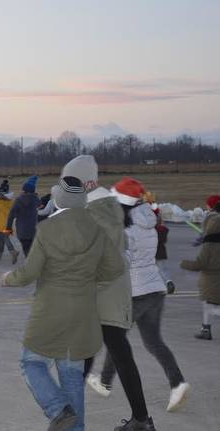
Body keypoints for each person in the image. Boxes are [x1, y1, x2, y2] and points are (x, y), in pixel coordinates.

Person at [0, 176, 125, 431]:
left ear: (59, 198)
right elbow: (115, 268)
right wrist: (90, 279)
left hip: (51, 312)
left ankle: (57, 409)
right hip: (83, 315)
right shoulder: (96, 228)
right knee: (71, 376)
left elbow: (30, 272)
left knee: (31, 362)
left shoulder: (47, 228)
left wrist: (8, 278)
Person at [62, 156, 156, 431]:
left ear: (86, 183)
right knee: (104, 354)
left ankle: (70, 418)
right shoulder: (102, 205)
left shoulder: (98, 209)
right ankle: (140, 420)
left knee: (90, 355)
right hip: (108, 293)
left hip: (102, 294)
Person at [98, 177, 190, 413]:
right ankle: (177, 383)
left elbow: (122, 261)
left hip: (135, 292)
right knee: (153, 342)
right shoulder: (147, 220)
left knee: (115, 336)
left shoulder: (126, 228)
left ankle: (105, 381)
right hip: (154, 289)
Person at [181, 212, 220, 340]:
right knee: (208, 305)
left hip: (211, 281)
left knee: (211, 307)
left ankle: (206, 330)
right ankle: (205, 329)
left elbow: (200, 264)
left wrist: (184, 264)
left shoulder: (209, 245)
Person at [6, 175, 40, 256]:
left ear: (24, 190)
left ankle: (30, 264)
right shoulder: (36, 199)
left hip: (22, 232)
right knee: (32, 251)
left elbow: (11, 215)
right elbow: (41, 207)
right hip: (33, 231)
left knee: (27, 250)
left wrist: (8, 229)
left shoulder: (18, 200)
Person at [0, 180, 18, 264]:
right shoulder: (11, 201)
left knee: (5, 237)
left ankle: (13, 251)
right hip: (9, 223)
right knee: (1, 237)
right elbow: (15, 211)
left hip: (1, 223)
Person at [153, 206, 176, 294]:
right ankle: (169, 282)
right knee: (163, 269)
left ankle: (156, 287)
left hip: (152, 252)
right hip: (161, 251)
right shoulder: (163, 230)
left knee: (153, 270)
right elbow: (164, 240)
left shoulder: (151, 230)